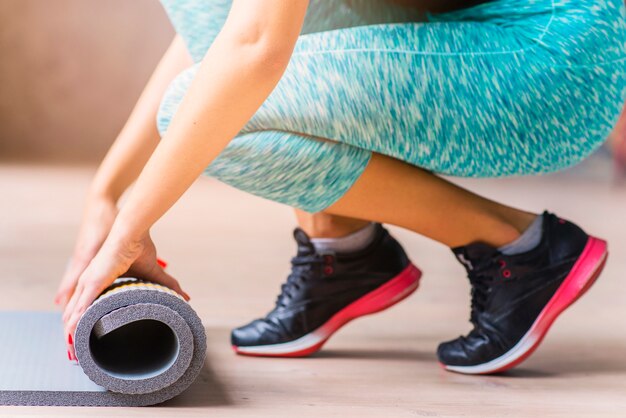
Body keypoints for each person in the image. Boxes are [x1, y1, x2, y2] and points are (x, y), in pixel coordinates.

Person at [56, 0, 626, 375]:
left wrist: (127, 232)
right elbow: (221, 27)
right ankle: (345, 248)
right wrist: (104, 196)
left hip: (550, 57)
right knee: (207, 33)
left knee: (206, 115)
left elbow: (252, 47)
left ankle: (519, 249)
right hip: (496, 33)